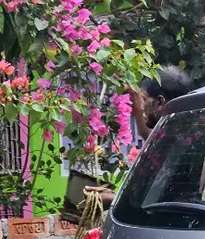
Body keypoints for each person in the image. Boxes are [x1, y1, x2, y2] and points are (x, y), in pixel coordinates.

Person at [84, 66, 195, 207]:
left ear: (160, 102)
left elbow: (150, 204)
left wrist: (112, 199)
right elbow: (147, 134)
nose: (141, 106)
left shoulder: (172, 147)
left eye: (144, 99)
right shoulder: (185, 137)